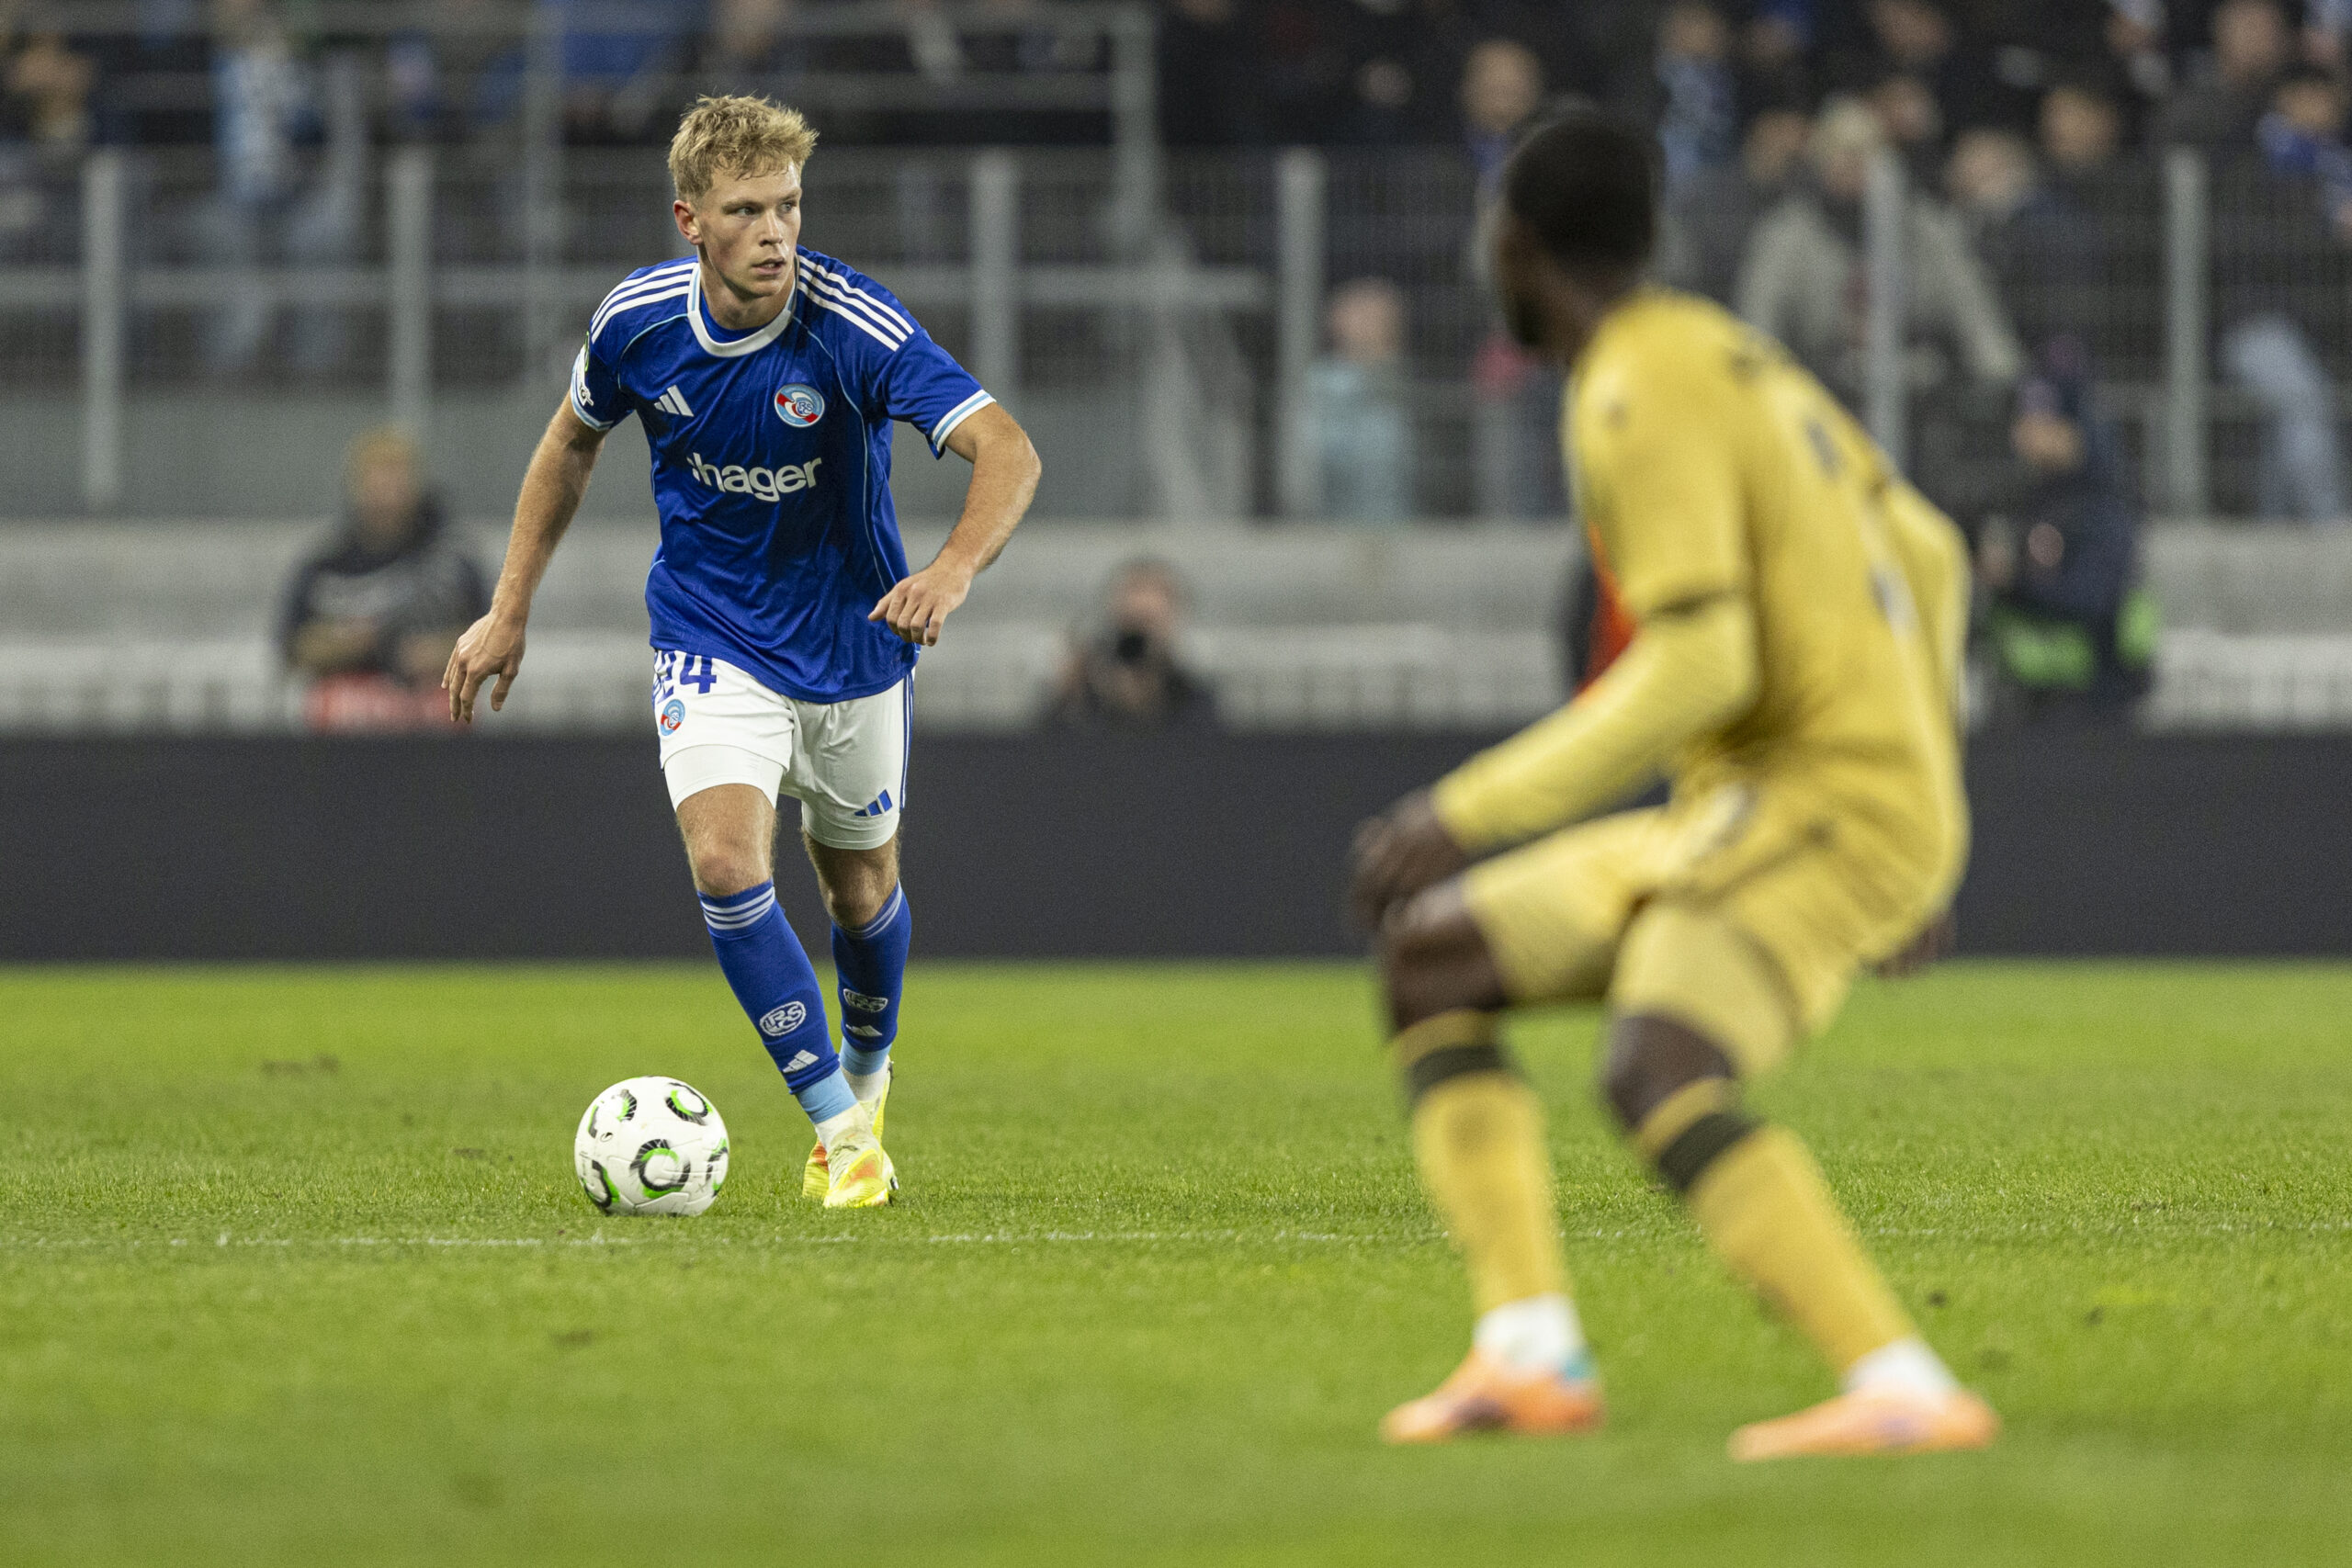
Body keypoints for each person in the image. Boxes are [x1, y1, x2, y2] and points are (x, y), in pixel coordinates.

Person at [1349, 109, 1995, 1459]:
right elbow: (1931, 554)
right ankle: (1528, 1351)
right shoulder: (1736, 357)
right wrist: (1924, 798)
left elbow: (1706, 656)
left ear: (1513, 248)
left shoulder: (1634, 388)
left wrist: (1464, 806)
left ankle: (1903, 1382)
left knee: (1657, 1063)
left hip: (1809, 797)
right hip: (1778, 803)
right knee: (1436, 957)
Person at [442, 96, 1042, 1208]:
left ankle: (866, 1075)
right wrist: (509, 605)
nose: (776, 233)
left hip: (856, 645)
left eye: (789, 206)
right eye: (747, 210)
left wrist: (952, 568)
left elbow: (1005, 448)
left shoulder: (852, 326)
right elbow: (570, 444)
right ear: (690, 221)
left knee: (861, 897)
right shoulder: (636, 325)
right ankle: (842, 1138)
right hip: (711, 632)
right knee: (726, 864)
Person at [1736, 96, 2023, 413]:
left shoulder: (1925, 227)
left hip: (1920, 394)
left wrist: (2003, 389)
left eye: (1864, 152)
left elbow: (1975, 315)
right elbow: (1757, 328)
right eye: (1838, 150)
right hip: (1820, 393)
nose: (1850, 163)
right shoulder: (1788, 233)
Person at [1975, 342, 2156, 722]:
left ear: (2071, 429)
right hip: (2030, 705)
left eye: (2039, 422)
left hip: (2094, 709)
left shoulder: (2105, 503)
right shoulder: (2031, 498)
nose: (2023, 434)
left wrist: (2014, 580)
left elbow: (2092, 596)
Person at [281, 427, 488, 731]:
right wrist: (350, 644)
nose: (387, 498)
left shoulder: (454, 563)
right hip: (345, 724)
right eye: (377, 484)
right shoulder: (324, 566)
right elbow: (292, 648)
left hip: (433, 719)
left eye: (397, 483)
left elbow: (492, 641)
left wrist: (436, 652)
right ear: (356, 487)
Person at [1049, 558, 1216, 728]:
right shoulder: (1079, 696)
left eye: (1149, 623)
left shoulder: (1196, 700)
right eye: (1132, 623)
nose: (1139, 644)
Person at [1310, 277, 1416, 523]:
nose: (1369, 325)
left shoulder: (1400, 377)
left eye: (1378, 318)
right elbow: (1318, 451)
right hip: (1336, 516)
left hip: (1395, 516)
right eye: (1361, 316)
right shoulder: (1325, 380)